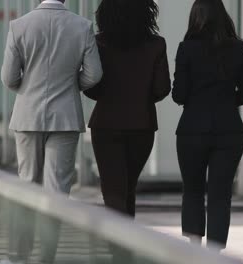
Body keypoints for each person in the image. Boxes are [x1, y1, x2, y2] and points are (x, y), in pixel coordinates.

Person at [0, 0, 103, 263]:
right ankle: (46, 257)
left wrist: (29, 89)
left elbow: (9, 78)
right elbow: (94, 74)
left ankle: (19, 255)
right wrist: (70, 88)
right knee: (57, 192)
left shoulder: (19, 26)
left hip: (27, 116)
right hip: (65, 117)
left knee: (26, 186)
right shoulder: (82, 26)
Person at [172, 0, 243, 251]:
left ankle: (194, 248)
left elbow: (178, 95)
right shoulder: (238, 49)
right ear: (223, 17)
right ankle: (215, 253)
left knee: (193, 190)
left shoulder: (186, 49)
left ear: (195, 18)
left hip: (192, 130)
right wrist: (228, 101)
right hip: (229, 130)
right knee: (221, 196)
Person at [84, 0, 170, 218]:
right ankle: (124, 247)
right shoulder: (157, 44)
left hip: (105, 124)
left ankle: (119, 249)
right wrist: (139, 97)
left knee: (113, 191)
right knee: (128, 188)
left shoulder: (98, 43)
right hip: (142, 124)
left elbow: (90, 87)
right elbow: (162, 88)